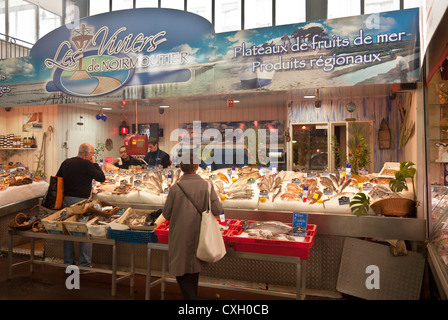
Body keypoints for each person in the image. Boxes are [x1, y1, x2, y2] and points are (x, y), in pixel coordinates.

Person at [162, 153, 223, 300]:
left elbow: (166, 213)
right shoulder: (207, 186)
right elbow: (218, 210)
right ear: (197, 167)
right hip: (200, 235)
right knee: (194, 270)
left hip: (180, 236)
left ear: (181, 168)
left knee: (181, 272)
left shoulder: (175, 188)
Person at [56, 143, 106, 269]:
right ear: (86, 154)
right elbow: (101, 177)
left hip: (66, 201)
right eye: (92, 154)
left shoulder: (66, 162)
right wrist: (94, 164)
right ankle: (84, 265)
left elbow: (57, 179)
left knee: (67, 231)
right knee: (84, 231)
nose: (92, 156)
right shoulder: (87, 164)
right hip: (81, 203)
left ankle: (68, 263)